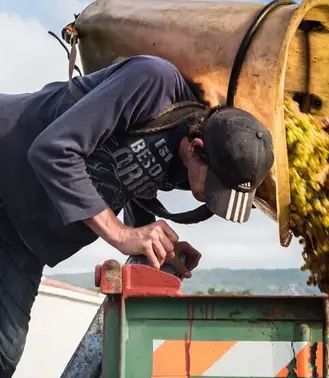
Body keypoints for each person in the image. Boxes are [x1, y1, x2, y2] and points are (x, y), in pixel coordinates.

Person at [0, 55, 274, 377]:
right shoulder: (152, 83)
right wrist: (123, 235)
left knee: (4, 356)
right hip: (7, 162)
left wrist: (156, 244)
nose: (207, 198)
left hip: (22, 235)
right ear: (195, 148)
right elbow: (53, 150)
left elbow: (133, 180)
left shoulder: (184, 166)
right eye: (213, 188)